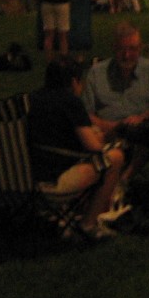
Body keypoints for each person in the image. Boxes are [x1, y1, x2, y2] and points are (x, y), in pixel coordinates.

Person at [27, 56, 126, 240]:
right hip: (54, 181)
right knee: (115, 157)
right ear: (74, 82)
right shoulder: (70, 101)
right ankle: (89, 224)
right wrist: (107, 140)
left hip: (27, 177)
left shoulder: (33, 99)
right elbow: (93, 146)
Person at [83, 22, 149, 188]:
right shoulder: (97, 73)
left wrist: (148, 116)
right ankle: (119, 181)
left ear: (140, 48)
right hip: (107, 133)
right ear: (114, 48)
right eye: (122, 49)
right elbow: (86, 115)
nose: (127, 55)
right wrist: (113, 126)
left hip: (141, 131)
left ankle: (124, 179)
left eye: (133, 49)